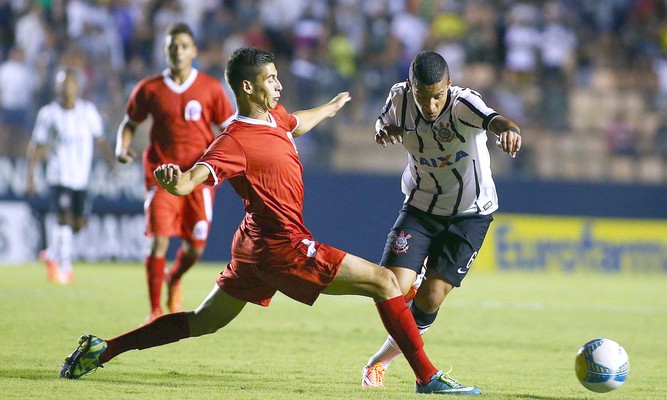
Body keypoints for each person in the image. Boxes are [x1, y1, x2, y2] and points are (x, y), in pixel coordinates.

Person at [59, 47, 479, 396]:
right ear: (248, 86)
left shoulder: (274, 118)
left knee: (204, 321)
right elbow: (192, 180)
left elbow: (299, 121)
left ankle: (105, 349)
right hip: (283, 247)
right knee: (386, 283)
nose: (278, 84)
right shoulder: (233, 140)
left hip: (252, 247)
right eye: (271, 78)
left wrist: (331, 108)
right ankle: (428, 378)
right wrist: (174, 182)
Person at [361, 50, 521, 389]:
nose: (430, 105)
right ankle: (417, 356)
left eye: (437, 96)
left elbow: (495, 120)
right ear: (411, 86)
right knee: (390, 285)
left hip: (470, 214)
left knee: (431, 297)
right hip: (420, 207)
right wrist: (383, 130)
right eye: (422, 96)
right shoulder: (398, 97)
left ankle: (379, 362)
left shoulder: (464, 103)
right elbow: (382, 120)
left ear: (449, 85)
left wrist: (509, 130)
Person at [115, 22, 235, 322]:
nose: (178, 51)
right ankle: (155, 311)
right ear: (165, 50)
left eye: (183, 46)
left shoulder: (210, 88)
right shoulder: (149, 88)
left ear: (193, 50)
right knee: (159, 240)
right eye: (172, 46)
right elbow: (129, 123)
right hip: (162, 177)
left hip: (198, 178)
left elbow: (228, 130)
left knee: (195, 247)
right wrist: (122, 148)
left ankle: (175, 277)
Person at [25, 68, 115, 284]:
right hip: (59, 177)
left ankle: (51, 253)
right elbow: (37, 145)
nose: (67, 88)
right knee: (63, 220)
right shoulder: (48, 114)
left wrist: (112, 163)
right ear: (57, 87)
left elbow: (100, 139)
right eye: (63, 84)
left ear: (78, 87)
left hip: (81, 178)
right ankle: (65, 268)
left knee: (78, 224)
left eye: (71, 84)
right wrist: (30, 177)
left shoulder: (88, 111)